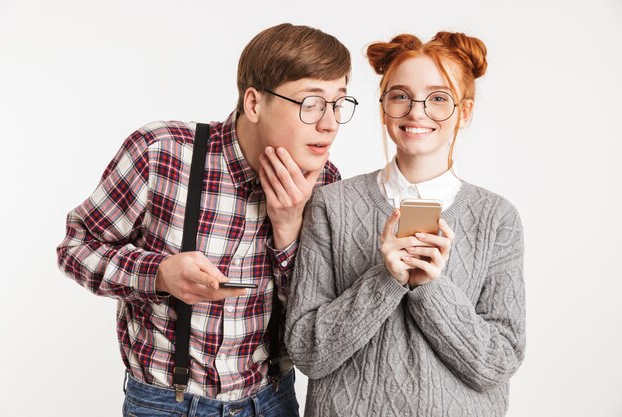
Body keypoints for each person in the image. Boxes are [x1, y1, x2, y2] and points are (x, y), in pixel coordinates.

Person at [57, 23, 358, 417]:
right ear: (253, 103)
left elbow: (314, 324)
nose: (330, 123)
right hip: (166, 402)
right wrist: (160, 274)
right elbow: (76, 248)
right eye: (312, 103)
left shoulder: (327, 183)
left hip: (271, 401)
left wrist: (287, 229)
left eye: (338, 103)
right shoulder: (163, 152)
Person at [285, 31, 525, 417]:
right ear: (383, 109)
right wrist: (386, 279)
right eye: (400, 96)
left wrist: (430, 288)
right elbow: (307, 352)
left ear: (464, 112)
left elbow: (497, 363)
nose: (416, 111)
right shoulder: (333, 204)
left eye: (438, 98)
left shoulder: (497, 219)